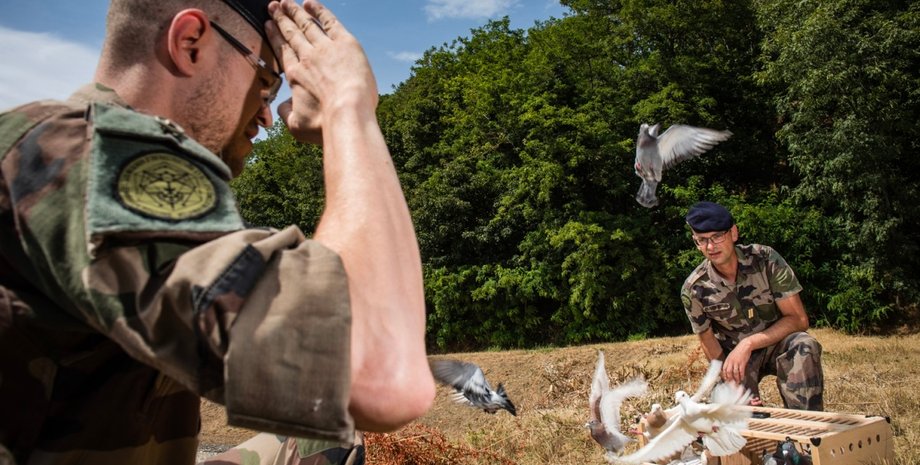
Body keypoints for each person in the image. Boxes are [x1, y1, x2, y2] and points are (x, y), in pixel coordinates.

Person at [0, 0, 435, 463]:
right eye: (266, 82)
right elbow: (380, 377)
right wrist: (348, 106)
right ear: (190, 44)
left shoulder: (80, 152)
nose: (269, 115)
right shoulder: (85, 157)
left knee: (328, 441)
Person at [680, 201, 824, 411]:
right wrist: (730, 383)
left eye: (717, 237)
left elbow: (798, 319)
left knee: (804, 345)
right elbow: (708, 341)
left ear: (734, 233)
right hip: (736, 361)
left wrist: (747, 344)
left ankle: (807, 429)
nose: (710, 247)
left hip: (776, 344)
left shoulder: (766, 260)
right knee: (729, 412)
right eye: (702, 240)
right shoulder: (694, 288)